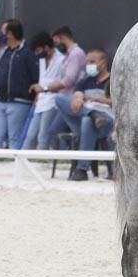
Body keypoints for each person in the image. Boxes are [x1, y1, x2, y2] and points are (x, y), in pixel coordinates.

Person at [53, 48, 114, 181]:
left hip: (106, 122)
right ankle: (92, 113)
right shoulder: (85, 81)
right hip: (84, 120)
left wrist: (104, 100)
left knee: (87, 121)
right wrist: (78, 99)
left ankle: (82, 169)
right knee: (59, 99)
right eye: (87, 62)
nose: (88, 65)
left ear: (103, 63)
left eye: (92, 62)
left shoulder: (113, 81)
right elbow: (78, 93)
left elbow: (124, 104)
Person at [0, 19, 38, 148]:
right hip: (1, 100)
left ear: (10, 33)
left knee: (14, 137)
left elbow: (34, 76)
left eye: (3, 31)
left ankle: (14, 165)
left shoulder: (27, 52)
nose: (1, 34)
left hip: (19, 101)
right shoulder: (6, 51)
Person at [22, 32, 65, 150]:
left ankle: (41, 161)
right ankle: (23, 158)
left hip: (52, 102)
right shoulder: (42, 60)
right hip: (41, 101)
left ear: (46, 47)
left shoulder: (61, 60)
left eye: (38, 50)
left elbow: (63, 84)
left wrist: (44, 89)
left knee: (43, 135)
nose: (36, 54)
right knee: (30, 135)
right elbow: (42, 80)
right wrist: (37, 94)